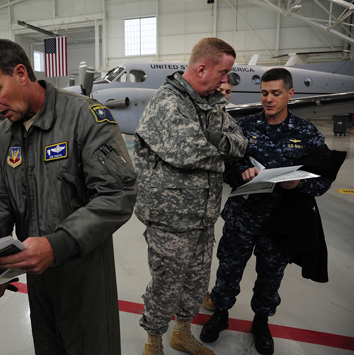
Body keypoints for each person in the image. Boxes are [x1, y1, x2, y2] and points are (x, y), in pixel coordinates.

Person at [0, 38, 137, 355]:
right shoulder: (5, 134)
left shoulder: (84, 117)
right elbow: (0, 196)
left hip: (83, 276)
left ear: (21, 73)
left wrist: (56, 244)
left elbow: (118, 193)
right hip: (36, 278)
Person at [200, 68, 333, 355]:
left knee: (270, 277)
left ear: (290, 94)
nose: (269, 99)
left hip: (280, 224)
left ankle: (261, 322)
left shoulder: (305, 133)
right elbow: (225, 164)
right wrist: (241, 172)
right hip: (242, 219)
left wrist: (298, 184)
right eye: (264, 93)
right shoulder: (244, 127)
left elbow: (323, 177)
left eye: (276, 93)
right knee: (228, 271)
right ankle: (220, 314)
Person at [133, 37, 247, 355]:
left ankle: (181, 333)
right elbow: (188, 152)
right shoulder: (168, 102)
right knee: (165, 286)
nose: (227, 80)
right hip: (170, 219)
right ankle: (153, 341)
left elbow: (240, 141)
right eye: (224, 72)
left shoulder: (209, 103)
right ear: (201, 68)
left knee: (197, 282)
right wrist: (218, 146)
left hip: (202, 215)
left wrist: (213, 141)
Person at [202, 72, 236, 312]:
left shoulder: (230, 118)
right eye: (220, 91)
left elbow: (239, 149)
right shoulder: (196, 115)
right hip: (187, 199)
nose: (224, 96)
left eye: (229, 92)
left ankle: (200, 292)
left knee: (204, 255)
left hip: (211, 201)